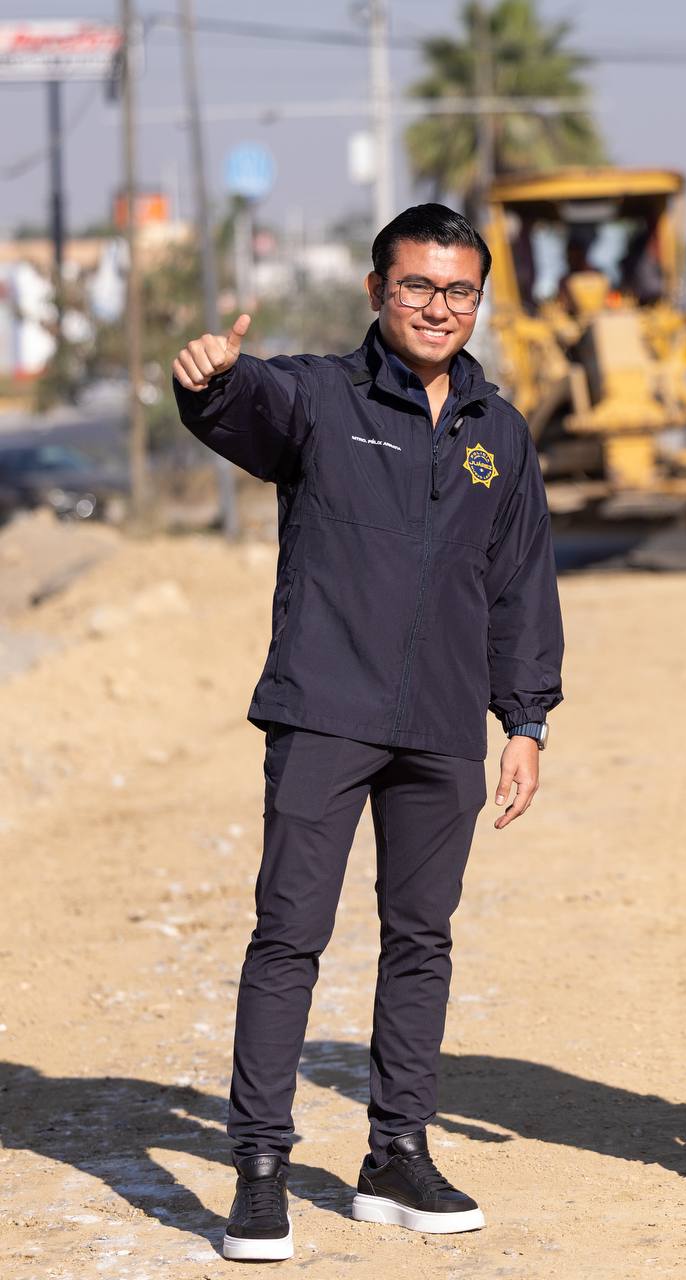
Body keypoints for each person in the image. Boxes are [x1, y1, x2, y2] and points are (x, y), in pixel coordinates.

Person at [172, 204, 563, 1261]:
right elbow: (246, 404)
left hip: (442, 725)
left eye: (458, 290)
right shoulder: (319, 397)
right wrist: (210, 378)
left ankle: (396, 1152)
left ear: (478, 300)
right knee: (289, 935)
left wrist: (524, 720)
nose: (437, 307)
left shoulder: (498, 431)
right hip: (324, 710)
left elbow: (520, 585)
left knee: (421, 938)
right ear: (376, 290)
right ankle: (260, 1167)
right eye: (416, 285)